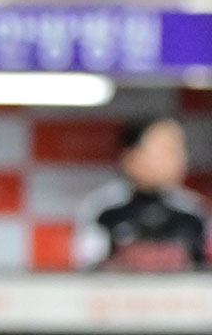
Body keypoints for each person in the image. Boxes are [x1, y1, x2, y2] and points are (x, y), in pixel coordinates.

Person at [73, 116, 209, 271]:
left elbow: (202, 274)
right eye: (167, 150)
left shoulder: (192, 211)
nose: (180, 159)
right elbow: (86, 272)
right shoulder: (103, 209)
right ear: (131, 157)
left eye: (180, 150)